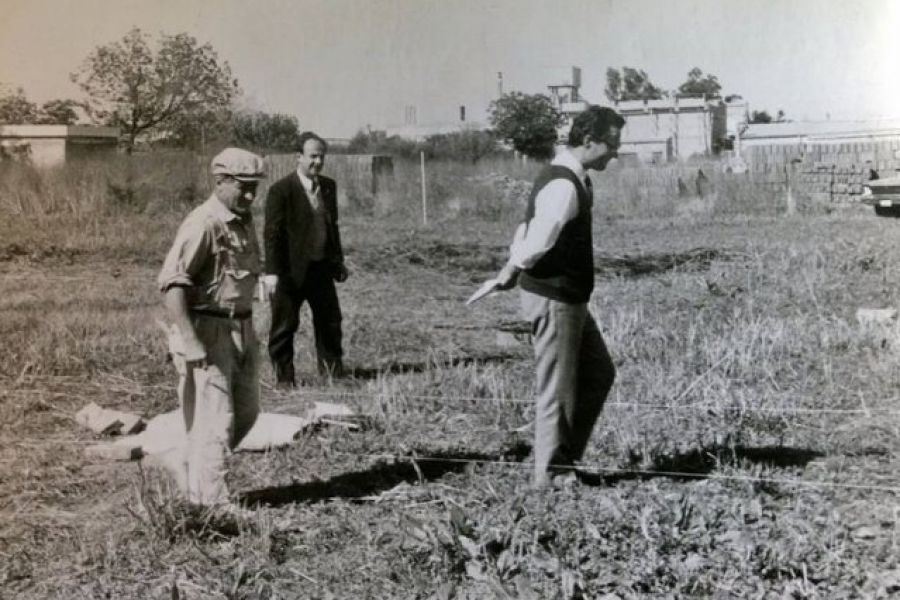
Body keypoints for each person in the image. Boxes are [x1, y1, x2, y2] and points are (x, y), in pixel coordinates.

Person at [492, 105, 625, 489]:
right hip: (554, 298)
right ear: (588, 140)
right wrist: (509, 270)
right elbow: (537, 237)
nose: (615, 153)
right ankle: (549, 477)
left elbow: (526, 225)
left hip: (570, 298)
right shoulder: (565, 183)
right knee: (557, 387)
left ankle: (563, 459)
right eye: (611, 145)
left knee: (599, 373)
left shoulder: (575, 177)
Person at [157, 147, 265, 506]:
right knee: (215, 422)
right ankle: (211, 508)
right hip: (208, 331)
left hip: (242, 329)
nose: (250, 195)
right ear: (220, 182)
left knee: (247, 413)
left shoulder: (244, 220)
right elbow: (172, 284)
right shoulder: (203, 223)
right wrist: (191, 340)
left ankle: (190, 468)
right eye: (243, 187)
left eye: (255, 187)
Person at [263, 131, 348, 386]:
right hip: (291, 272)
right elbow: (272, 235)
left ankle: (333, 374)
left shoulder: (329, 187)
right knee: (284, 326)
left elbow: (332, 227)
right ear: (298, 157)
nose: (317, 162)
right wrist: (272, 274)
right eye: (312, 157)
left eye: (321, 157)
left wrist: (338, 261)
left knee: (330, 322)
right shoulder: (281, 191)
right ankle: (285, 379)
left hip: (321, 269)